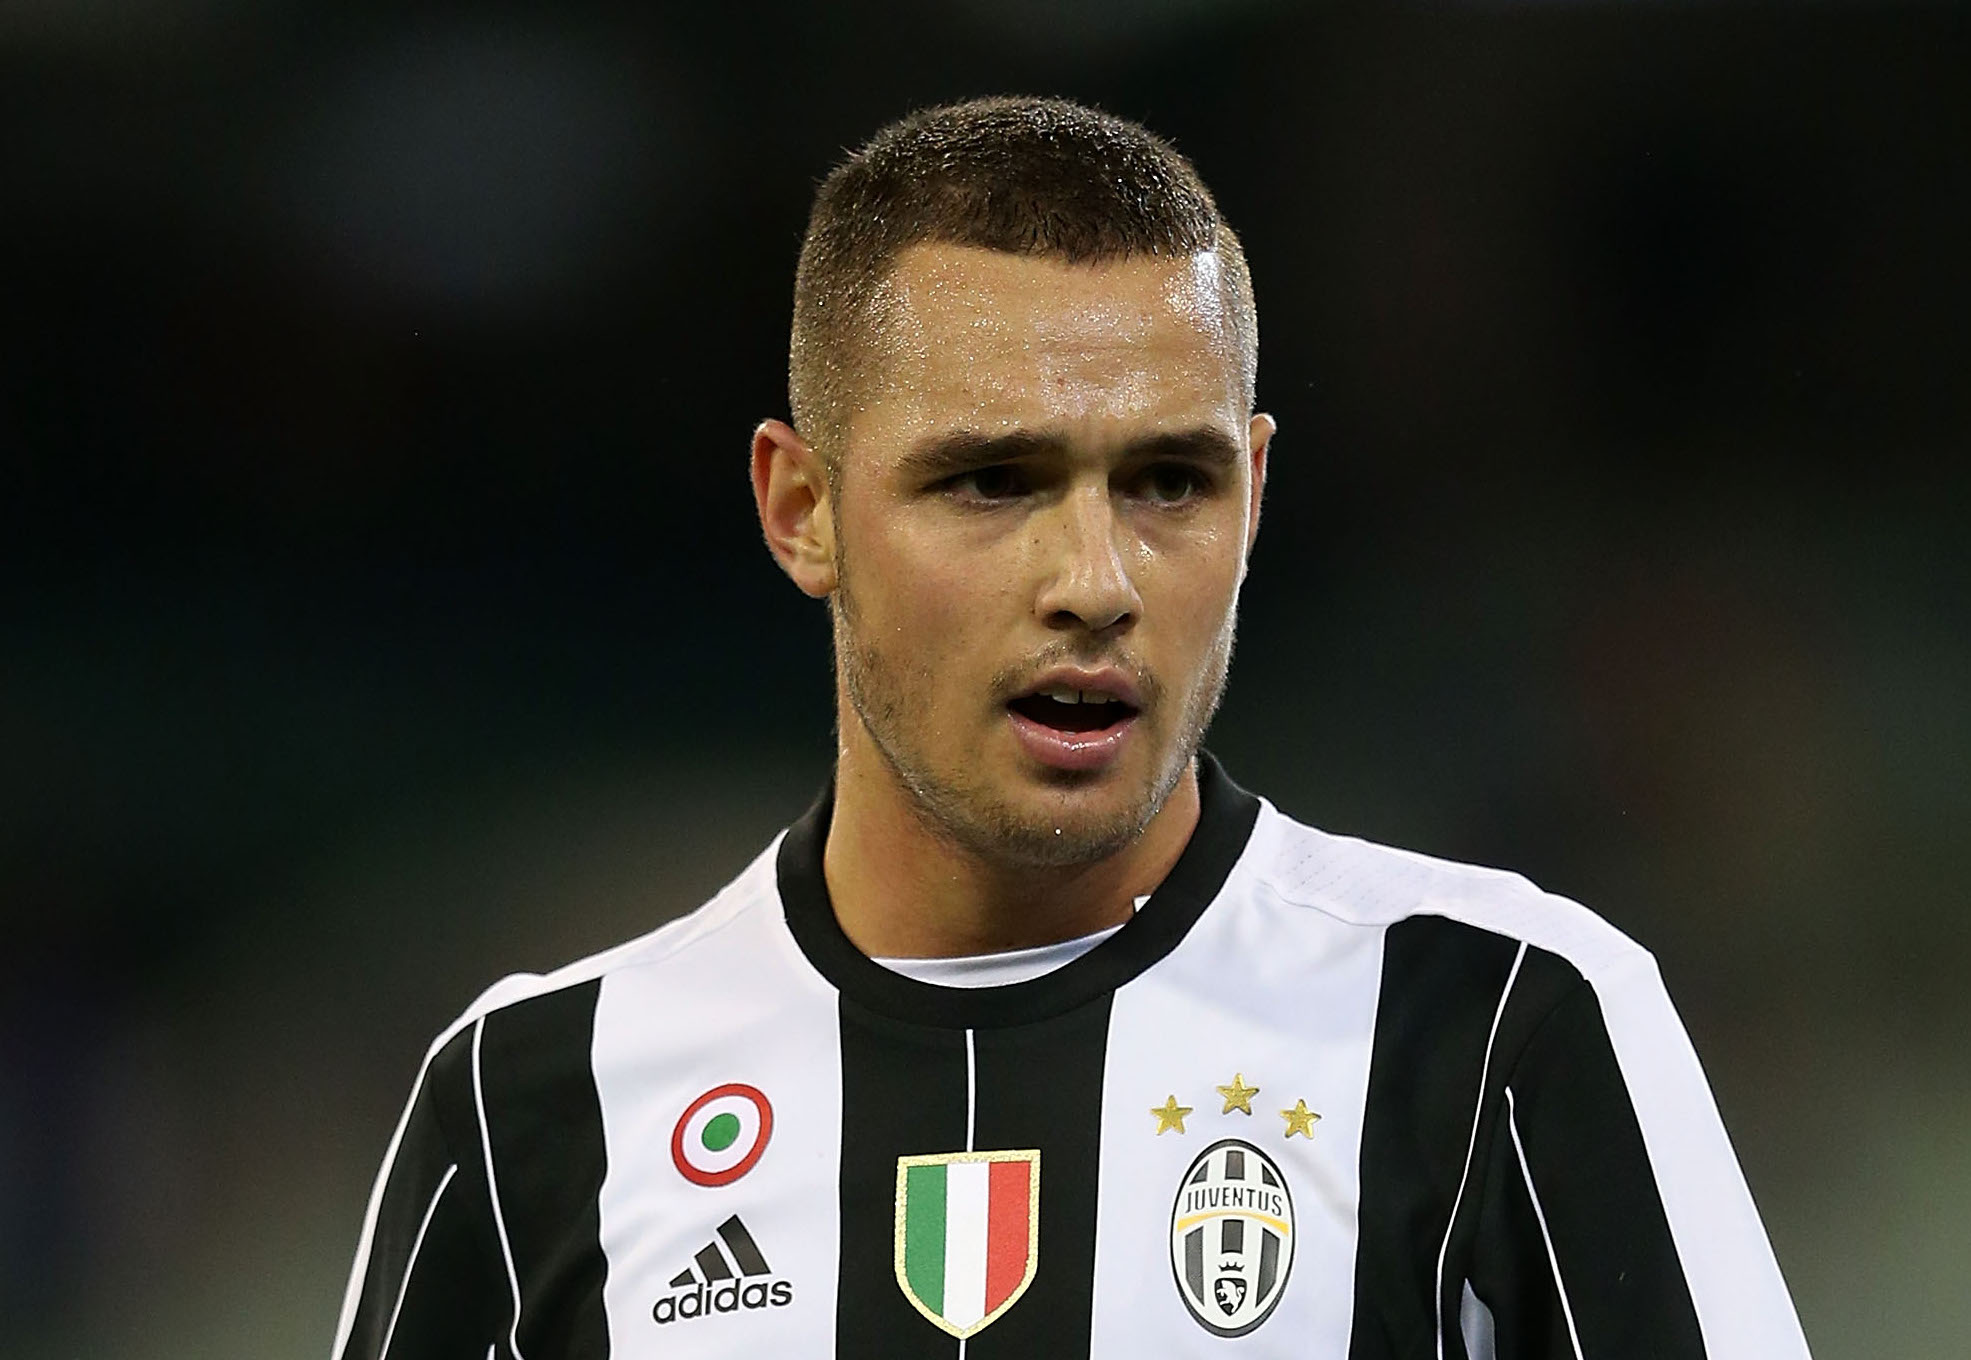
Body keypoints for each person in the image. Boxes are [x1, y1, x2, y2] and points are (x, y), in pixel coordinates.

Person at [330, 96, 1810, 1359]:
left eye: (1170, 482)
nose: (1095, 584)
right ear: (802, 509)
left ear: (1257, 493)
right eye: (991, 484)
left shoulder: (1499, 1027)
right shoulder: (541, 1102)